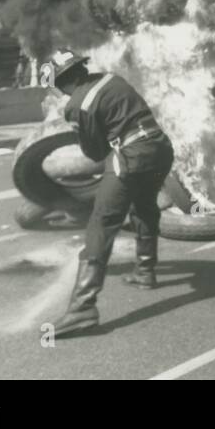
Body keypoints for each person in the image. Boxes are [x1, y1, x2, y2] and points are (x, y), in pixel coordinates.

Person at [47, 50, 175, 337]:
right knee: (144, 206)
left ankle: (82, 310)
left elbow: (94, 152)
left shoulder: (78, 104)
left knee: (101, 224)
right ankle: (145, 272)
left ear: (61, 82)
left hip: (131, 156)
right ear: (81, 68)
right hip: (160, 148)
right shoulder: (112, 79)